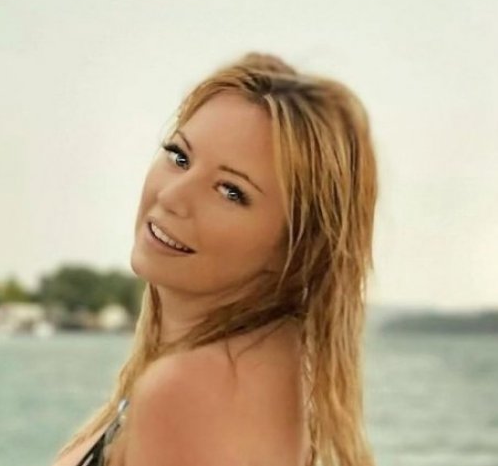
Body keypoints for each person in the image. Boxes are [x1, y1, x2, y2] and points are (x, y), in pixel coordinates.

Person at [51, 52, 378, 466]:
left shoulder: (195, 391)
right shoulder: (278, 371)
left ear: (299, 248)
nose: (172, 196)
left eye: (230, 191)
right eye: (179, 157)